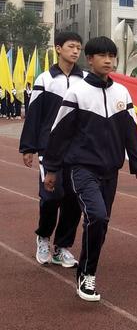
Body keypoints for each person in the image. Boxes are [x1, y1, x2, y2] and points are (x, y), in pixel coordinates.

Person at [42, 36, 137, 302]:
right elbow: (60, 134)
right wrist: (52, 170)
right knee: (97, 216)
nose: (108, 60)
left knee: (101, 224)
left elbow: (130, 132)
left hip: (110, 172)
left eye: (112, 56)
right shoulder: (77, 92)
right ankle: (87, 276)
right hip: (81, 169)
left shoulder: (122, 93)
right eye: (102, 56)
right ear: (90, 60)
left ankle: (85, 268)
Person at [19, 32, 85, 267]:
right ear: (58, 48)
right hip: (49, 148)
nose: (75, 51)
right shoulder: (45, 79)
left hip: (77, 149)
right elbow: (34, 113)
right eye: (71, 46)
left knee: (74, 198)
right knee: (51, 195)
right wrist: (28, 147)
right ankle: (44, 236)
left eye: (79, 47)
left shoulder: (85, 79)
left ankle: (62, 247)